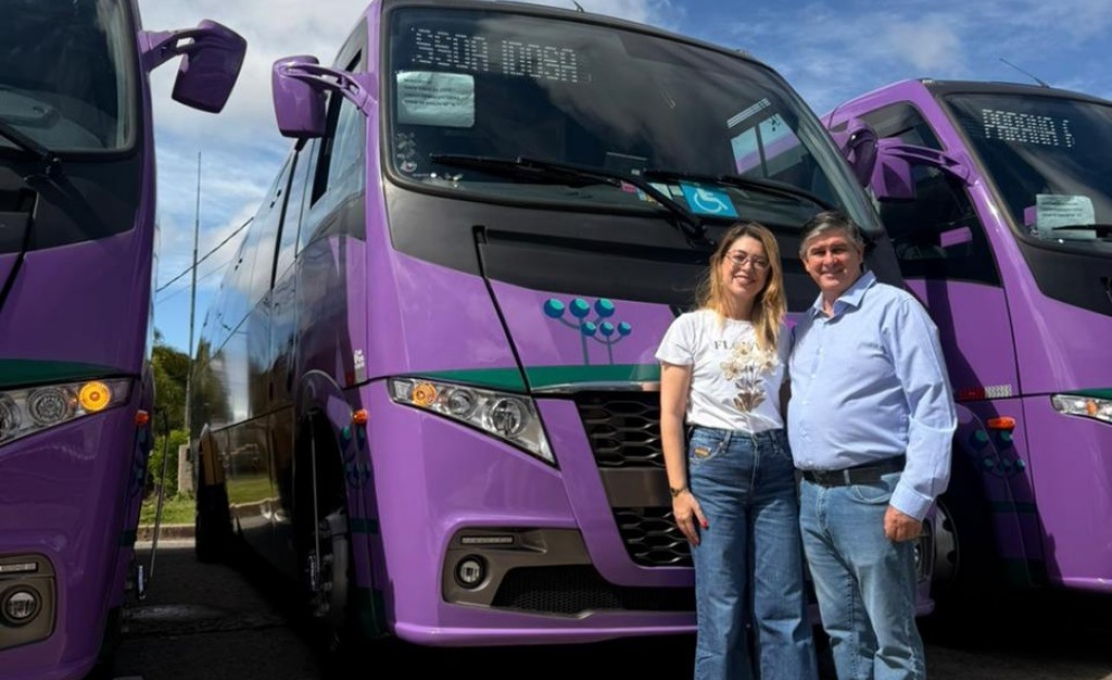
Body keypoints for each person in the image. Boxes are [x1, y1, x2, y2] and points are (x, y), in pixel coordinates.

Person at [788, 210, 956, 680]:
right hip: (814, 496)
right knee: (843, 630)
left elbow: (932, 406)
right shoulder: (807, 326)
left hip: (872, 494)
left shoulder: (895, 308)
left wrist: (914, 497)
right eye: (818, 252)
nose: (830, 259)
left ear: (860, 253)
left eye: (839, 248)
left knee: (891, 636)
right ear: (805, 262)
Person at [657, 222, 817, 680]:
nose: (749, 268)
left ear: (770, 274)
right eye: (740, 258)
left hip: (774, 467)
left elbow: (787, 406)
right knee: (721, 605)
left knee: (783, 603)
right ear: (720, 263)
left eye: (760, 261)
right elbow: (670, 415)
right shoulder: (689, 327)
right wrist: (678, 490)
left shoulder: (780, 332)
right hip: (713, 464)